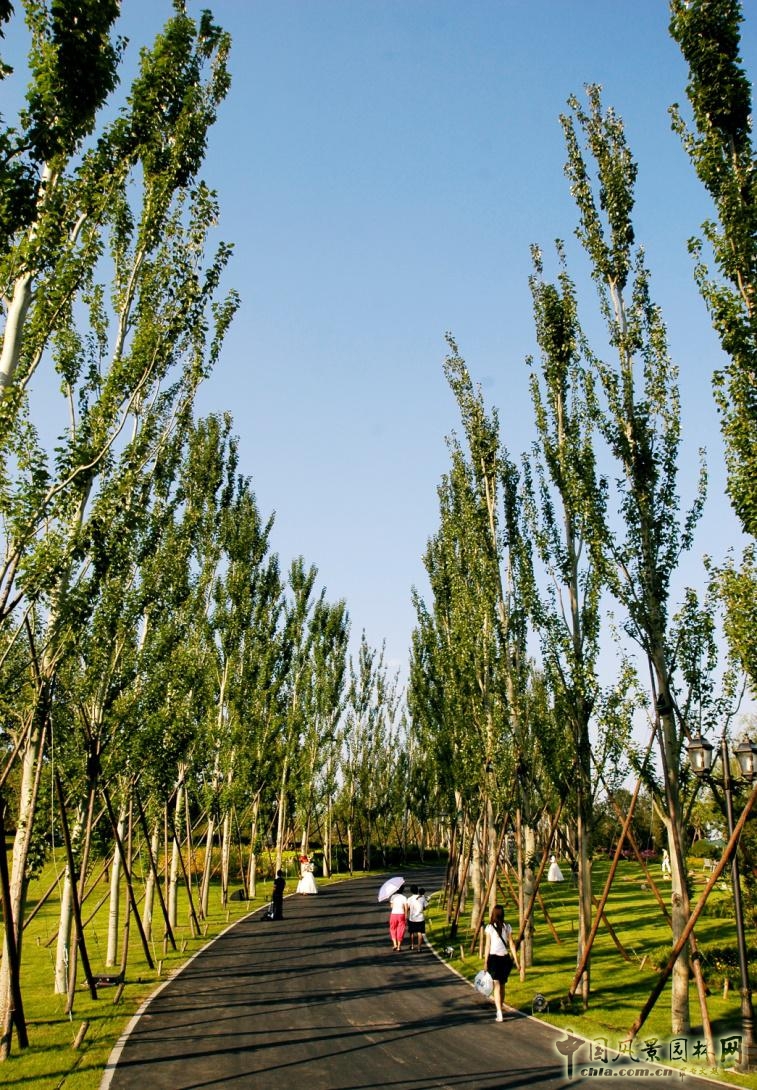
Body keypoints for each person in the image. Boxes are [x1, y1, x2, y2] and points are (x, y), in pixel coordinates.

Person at [483, 904, 519, 1022]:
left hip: (494, 959)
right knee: (502, 985)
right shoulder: (507, 927)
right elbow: (512, 945)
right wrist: (517, 961)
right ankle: (500, 1007)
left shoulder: (489, 927)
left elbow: (487, 945)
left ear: (493, 914)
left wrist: (485, 961)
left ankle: (499, 1011)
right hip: (505, 959)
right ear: (503, 914)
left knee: (497, 985)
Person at [407, 884, 429, 950]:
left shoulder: (409, 899)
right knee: (420, 932)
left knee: (412, 932)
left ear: (411, 891)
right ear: (417, 890)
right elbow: (425, 906)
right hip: (420, 918)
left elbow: (407, 908)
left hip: (412, 918)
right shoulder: (422, 898)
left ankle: (412, 945)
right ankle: (419, 947)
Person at [388, 883, 409, 951]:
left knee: (392, 928)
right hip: (401, 914)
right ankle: (399, 946)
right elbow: (406, 908)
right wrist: (406, 915)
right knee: (401, 929)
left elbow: (391, 906)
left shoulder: (393, 897)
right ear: (402, 890)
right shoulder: (404, 897)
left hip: (393, 914)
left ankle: (395, 944)